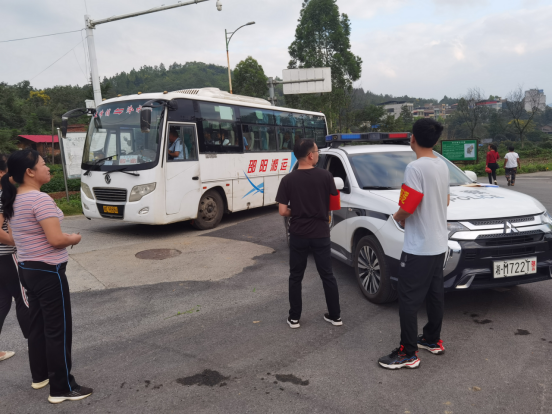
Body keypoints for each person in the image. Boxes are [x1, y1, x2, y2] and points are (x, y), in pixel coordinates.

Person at [0, 149, 93, 403]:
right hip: (48, 271)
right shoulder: (39, 199)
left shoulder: (14, 198)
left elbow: (19, 237)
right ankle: (62, 387)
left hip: (27, 268)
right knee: (57, 329)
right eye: (43, 164)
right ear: (30, 172)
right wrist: (74, 238)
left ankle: (40, 376)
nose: (48, 167)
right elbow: (55, 240)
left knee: (38, 325)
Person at [378, 118, 450, 370]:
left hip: (419, 247)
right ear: (435, 141)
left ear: (413, 139)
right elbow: (446, 200)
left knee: (408, 300)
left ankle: (408, 352)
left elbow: (408, 206)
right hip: (439, 243)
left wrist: (396, 217)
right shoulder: (441, 165)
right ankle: (432, 339)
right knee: (435, 294)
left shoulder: (415, 168)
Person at [276, 139, 342, 329]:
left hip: (298, 234)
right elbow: (334, 205)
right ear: (310, 155)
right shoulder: (326, 176)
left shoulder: (287, 180)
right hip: (321, 233)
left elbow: (282, 211)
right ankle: (335, 316)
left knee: (296, 276)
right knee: (327, 275)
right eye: (317, 151)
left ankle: (294, 318)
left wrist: (297, 211)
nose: (318, 154)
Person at [0, 153, 30, 363]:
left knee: (2, 301)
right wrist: (17, 243)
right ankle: (35, 343)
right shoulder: (3, 196)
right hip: (7, 257)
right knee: (23, 298)